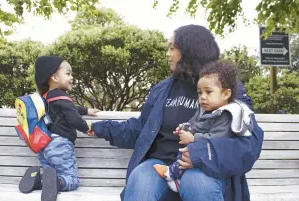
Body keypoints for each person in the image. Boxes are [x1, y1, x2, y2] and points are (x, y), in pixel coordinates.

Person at [88, 25, 264, 201]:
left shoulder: (229, 89)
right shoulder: (162, 89)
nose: (168, 53)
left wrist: (199, 154)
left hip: (205, 168)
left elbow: (249, 145)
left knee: (195, 183)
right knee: (140, 180)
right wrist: (101, 127)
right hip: (160, 165)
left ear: (189, 50)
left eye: (172, 48)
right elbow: (141, 129)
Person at [154, 60, 254, 193]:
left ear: (226, 94)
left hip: (210, 155)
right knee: (184, 152)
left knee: (187, 153)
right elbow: (194, 121)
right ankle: (177, 179)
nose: (202, 97)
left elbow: (217, 138)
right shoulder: (205, 108)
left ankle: (171, 174)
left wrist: (193, 138)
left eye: (208, 92)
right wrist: (185, 127)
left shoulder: (226, 115)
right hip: (197, 149)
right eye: (200, 93)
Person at [19, 56, 100, 201]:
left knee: (51, 173)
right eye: (68, 73)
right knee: (71, 179)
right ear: (55, 77)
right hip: (60, 144)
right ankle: (58, 182)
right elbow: (73, 117)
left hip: (44, 145)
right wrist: (86, 127)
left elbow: (69, 109)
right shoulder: (62, 97)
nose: (72, 77)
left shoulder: (45, 98)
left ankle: (39, 179)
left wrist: (86, 110)